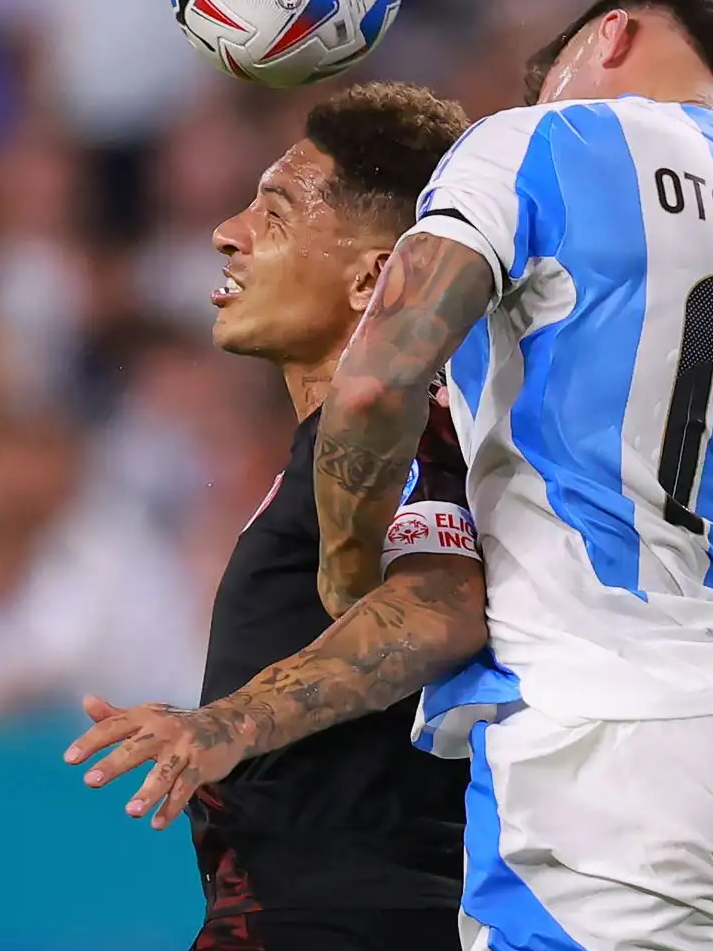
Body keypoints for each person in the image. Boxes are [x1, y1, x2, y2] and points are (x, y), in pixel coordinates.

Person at [311, 0, 713, 949]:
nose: (536, 101)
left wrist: (347, 569)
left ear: (608, 36)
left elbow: (373, 380)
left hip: (609, 748)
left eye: (548, 77)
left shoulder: (541, 143)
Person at [63, 83, 483, 950]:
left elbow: (444, 600)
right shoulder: (333, 449)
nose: (228, 232)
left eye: (277, 212)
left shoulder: (407, 430)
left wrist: (226, 723)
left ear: (374, 277)